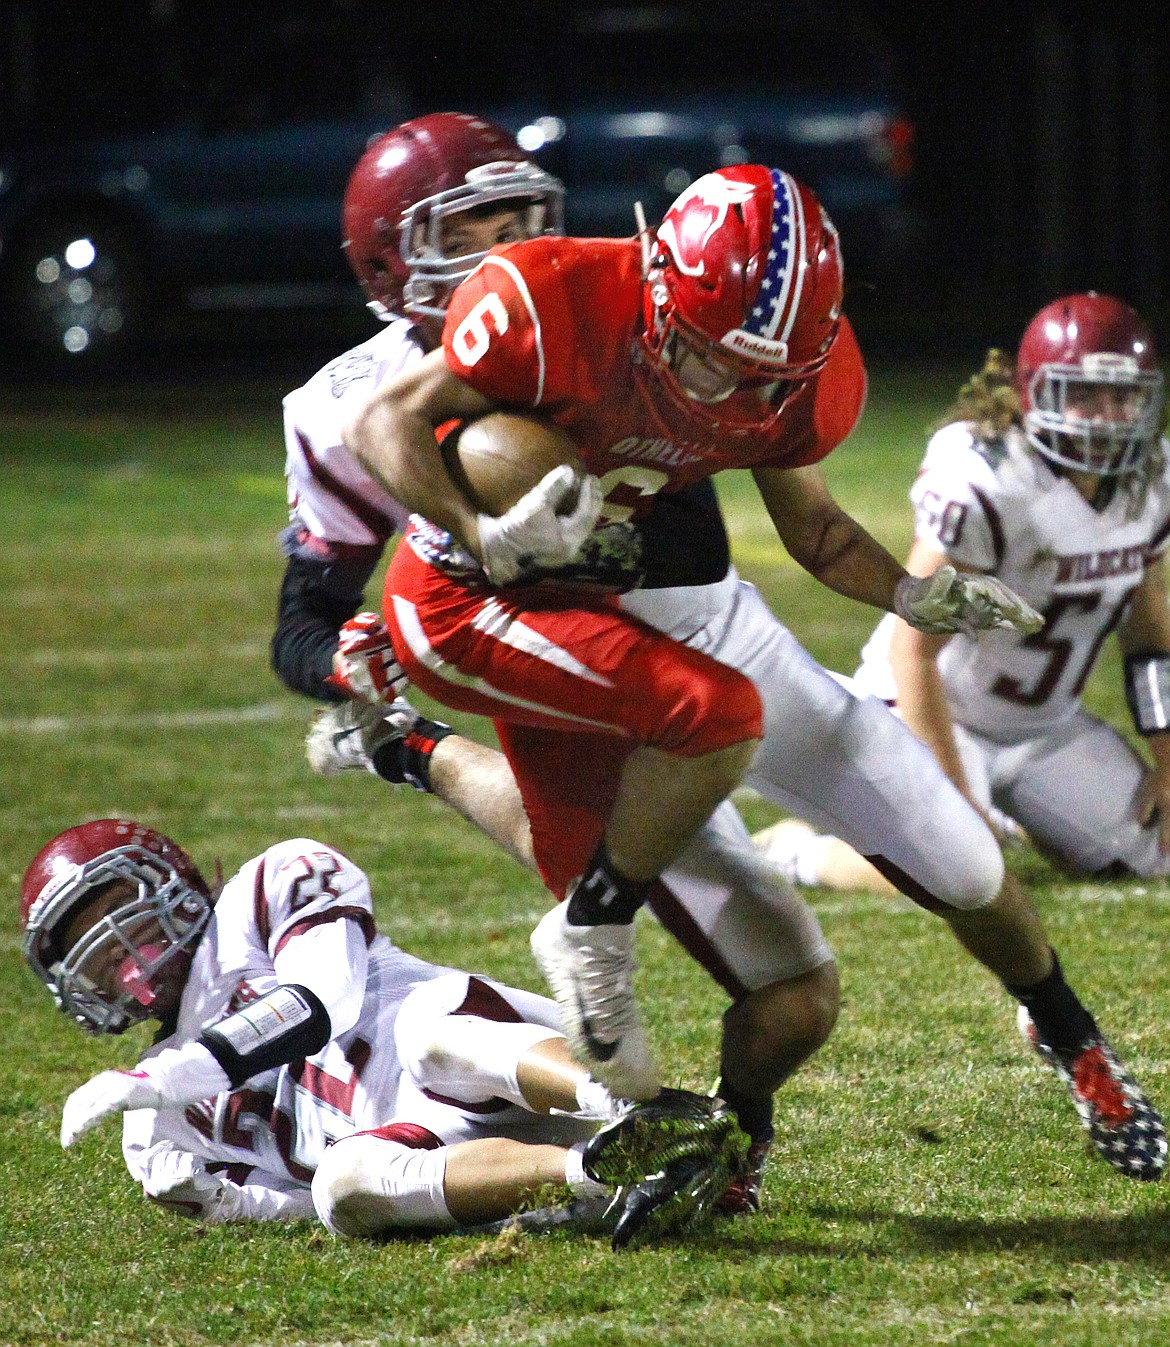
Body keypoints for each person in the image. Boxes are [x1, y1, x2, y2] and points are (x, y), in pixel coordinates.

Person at [339, 164, 1167, 1184]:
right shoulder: (550, 300)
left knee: (961, 864)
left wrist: (911, 597)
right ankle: (712, 1117)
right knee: (721, 939)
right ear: (658, 280)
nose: (721, 391)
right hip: (562, 631)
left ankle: (1071, 1036)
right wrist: (482, 526)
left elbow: (814, 528)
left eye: (759, 376)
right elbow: (385, 420)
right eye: (699, 355)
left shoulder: (791, 374)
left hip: (705, 619)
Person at [276, 113, 860, 1213]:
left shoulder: (569, 320)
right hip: (499, 645)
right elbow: (302, 620)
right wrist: (350, 655)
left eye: (522, 216)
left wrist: (598, 534)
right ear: (388, 258)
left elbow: (689, 535)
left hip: (621, 648)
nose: (507, 242)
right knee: (603, 890)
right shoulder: (338, 403)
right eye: (474, 222)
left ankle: (719, 1137)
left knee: (793, 991)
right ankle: (636, 1114)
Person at [20, 818, 748, 1250]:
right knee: (342, 1186)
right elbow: (284, 1204)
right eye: (105, 959)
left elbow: (318, 1004)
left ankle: (642, 1110)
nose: (132, 961)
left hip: (490, 1051)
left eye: (131, 925)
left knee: (426, 1035)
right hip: (438, 1149)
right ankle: (603, 1172)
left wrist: (173, 1074)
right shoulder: (152, 1129)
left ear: (172, 882)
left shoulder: (267, 886)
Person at [756, 292, 1170, 894]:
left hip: (1044, 727)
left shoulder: (1148, 486)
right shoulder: (995, 480)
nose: (1105, 417)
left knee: (1156, 852)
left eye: (1122, 396)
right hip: (929, 708)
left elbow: (1151, 636)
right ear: (1035, 395)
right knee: (958, 867)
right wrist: (953, 794)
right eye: (1083, 394)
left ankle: (1019, 815)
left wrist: (1166, 758)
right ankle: (793, 855)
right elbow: (913, 650)